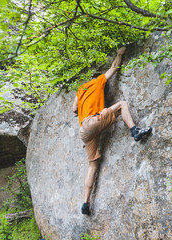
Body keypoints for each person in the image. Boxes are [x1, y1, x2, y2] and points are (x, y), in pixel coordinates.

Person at [72, 47, 152, 215]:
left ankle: (85, 203)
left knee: (93, 165)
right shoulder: (98, 81)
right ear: (97, 79)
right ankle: (135, 131)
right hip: (94, 122)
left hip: (84, 132)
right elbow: (114, 67)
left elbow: (74, 110)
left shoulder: (80, 90)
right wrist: (119, 54)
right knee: (122, 104)